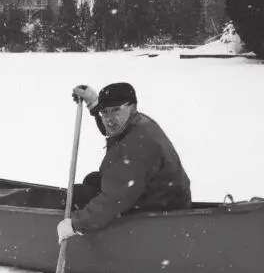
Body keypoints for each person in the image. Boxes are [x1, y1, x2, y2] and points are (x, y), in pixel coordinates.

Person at [57, 82, 191, 243]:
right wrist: (93, 104)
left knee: (80, 195)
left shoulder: (137, 146)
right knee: (93, 180)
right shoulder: (137, 123)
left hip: (160, 210)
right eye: (104, 112)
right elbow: (112, 129)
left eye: (115, 110)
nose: (109, 119)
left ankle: (101, 241)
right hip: (159, 194)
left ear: (133, 107)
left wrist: (75, 224)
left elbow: (115, 199)